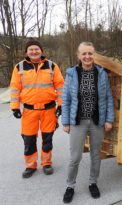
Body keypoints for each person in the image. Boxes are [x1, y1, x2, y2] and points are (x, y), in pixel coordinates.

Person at [61, 42, 114, 203]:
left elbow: (108, 98)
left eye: (90, 53)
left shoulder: (101, 74)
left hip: (97, 120)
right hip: (77, 121)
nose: (87, 57)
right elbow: (66, 99)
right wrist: (65, 122)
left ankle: (93, 183)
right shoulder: (72, 74)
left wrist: (109, 119)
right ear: (78, 55)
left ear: (94, 55)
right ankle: (70, 186)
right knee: (75, 157)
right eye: (84, 53)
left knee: (95, 155)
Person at [10, 38, 64, 178]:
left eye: (36, 49)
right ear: (26, 52)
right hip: (29, 110)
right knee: (28, 139)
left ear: (41, 51)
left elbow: (60, 87)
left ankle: (46, 163)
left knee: (47, 138)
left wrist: (61, 104)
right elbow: (15, 89)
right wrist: (15, 107)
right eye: (31, 49)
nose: (34, 51)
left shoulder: (52, 66)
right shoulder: (19, 68)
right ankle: (30, 166)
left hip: (49, 110)